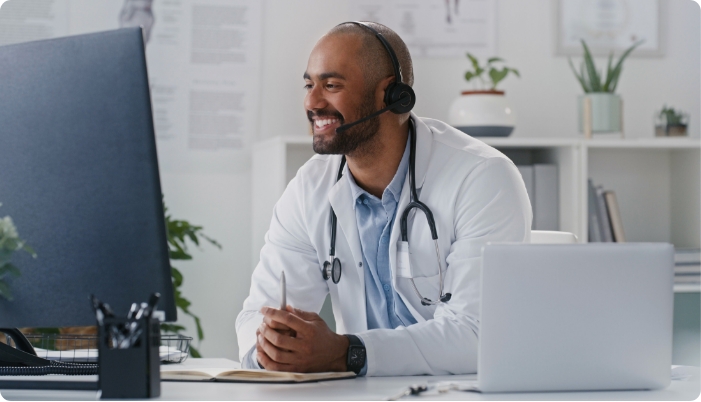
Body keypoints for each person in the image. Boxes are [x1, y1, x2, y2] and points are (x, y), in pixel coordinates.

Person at [236, 21, 531, 377]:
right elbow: (258, 314)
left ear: (391, 95)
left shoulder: (481, 176)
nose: (312, 102)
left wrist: (349, 354)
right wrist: (272, 348)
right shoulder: (308, 189)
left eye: (331, 85)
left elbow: (476, 334)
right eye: (309, 84)